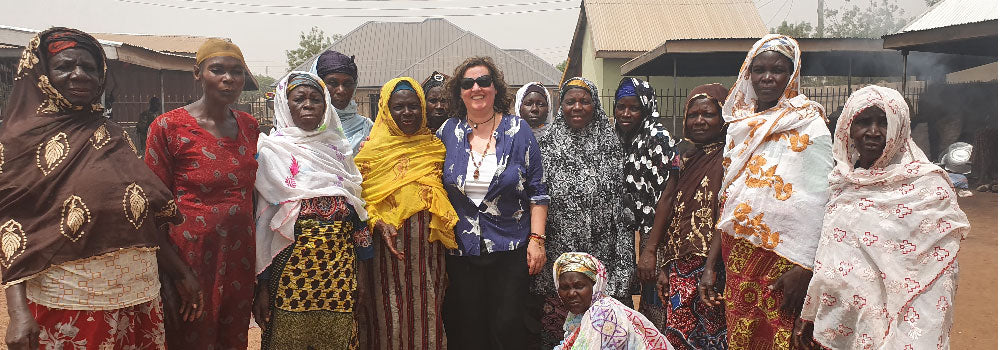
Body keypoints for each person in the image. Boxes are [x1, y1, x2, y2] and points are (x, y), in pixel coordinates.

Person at [0, 27, 201, 350]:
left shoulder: (112, 135)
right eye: (65, 66)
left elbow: (142, 219)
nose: (79, 74)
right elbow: (11, 225)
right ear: (41, 74)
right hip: (69, 298)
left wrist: (180, 273)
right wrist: (17, 309)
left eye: (89, 67)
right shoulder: (19, 142)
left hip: (138, 297)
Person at [798, 85, 970, 349]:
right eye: (864, 122)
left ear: (900, 127)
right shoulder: (842, 181)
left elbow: (938, 272)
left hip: (901, 324)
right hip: (846, 319)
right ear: (847, 128)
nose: (874, 132)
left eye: (885, 122)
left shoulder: (928, 188)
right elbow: (829, 253)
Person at [705, 34, 833, 349]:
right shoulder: (739, 126)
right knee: (743, 334)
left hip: (787, 259)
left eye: (777, 70)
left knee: (782, 335)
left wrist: (805, 267)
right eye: (758, 69)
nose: (766, 77)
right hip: (739, 256)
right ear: (747, 73)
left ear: (791, 74)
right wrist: (712, 264)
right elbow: (732, 201)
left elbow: (822, 201)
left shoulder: (810, 125)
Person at [144, 38, 260, 349]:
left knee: (232, 338)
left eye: (236, 72)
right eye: (217, 70)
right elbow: (151, 209)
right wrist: (177, 273)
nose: (228, 79)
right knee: (190, 337)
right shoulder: (168, 128)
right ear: (198, 73)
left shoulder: (250, 126)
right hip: (189, 256)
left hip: (240, 255)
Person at [252, 72, 372, 349]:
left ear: (326, 106)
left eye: (316, 99)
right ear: (285, 105)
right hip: (288, 282)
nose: (308, 105)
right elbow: (262, 226)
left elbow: (358, 218)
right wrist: (262, 287)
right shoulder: (270, 154)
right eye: (299, 99)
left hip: (339, 281)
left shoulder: (339, 153)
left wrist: (362, 279)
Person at [438, 57, 550, 350]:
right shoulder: (448, 131)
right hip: (461, 250)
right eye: (468, 83)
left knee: (507, 326)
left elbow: (537, 191)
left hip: (509, 249)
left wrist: (537, 240)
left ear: (495, 88)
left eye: (483, 81)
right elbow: (421, 163)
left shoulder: (519, 131)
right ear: (460, 92)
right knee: (468, 327)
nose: (476, 88)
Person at [354, 77, 459, 350]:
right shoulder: (371, 150)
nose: (407, 113)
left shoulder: (434, 146)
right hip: (386, 249)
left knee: (427, 312)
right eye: (399, 107)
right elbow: (359, 198)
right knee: (386, 315)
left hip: (428, 251)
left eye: (414, 106)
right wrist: (376, 221)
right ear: (386, 110)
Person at [535, 77, 636, 348]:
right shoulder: (545, 148)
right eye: (570, 101)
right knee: (561, 338)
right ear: (561, 106)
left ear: (595, 106)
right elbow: (538, 203)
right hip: (560, 267)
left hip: (601, 262)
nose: (577, 107)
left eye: (585, 101)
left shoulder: (612, 146)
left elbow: (621, 212)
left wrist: (622, 270)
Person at [649, 84, 730, 349]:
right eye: (693, 114)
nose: (699, 121)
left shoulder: (732, 155)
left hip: (716, 265)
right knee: (678, 333)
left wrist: (709, 268)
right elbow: (669, 200)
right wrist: (659, 259)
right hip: (679, 263)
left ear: (723, 117)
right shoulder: (681, 154)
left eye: (708, 114)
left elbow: (726, 211)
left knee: (713, 334)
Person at [615, 77, 680, 330]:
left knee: (657, 304)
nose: (626, 113)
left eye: (634, 108)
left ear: (647, 108)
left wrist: (650, 249)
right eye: (621, 107)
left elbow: (668, 195)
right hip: (634, 234)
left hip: (658, 236)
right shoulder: (623, 137)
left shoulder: (658, 138)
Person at [552, 252, 674, 350]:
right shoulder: (579, 315)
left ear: (595, 286)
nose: (571, 293)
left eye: (579, 286)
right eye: (564, 287)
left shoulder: (604, 313)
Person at [311, 50, 372, 155]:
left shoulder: (367, 129)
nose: (341, 91)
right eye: (332, 83)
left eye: (347, 83)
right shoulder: (299, 128)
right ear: (317, 85)